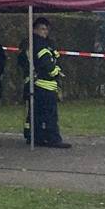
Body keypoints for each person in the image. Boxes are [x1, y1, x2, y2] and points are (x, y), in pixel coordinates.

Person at [27, 17, 70, 148]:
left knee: (38, 115)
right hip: (44, 85)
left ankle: (37, 137)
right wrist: (56, 72)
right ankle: (53, 139)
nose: (45, 32)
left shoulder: (42, 43)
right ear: (35, 30)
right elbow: (48, 65)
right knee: (50, 115)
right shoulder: (40, 45)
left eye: (46, 29)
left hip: (41, 85)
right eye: (42, 29)